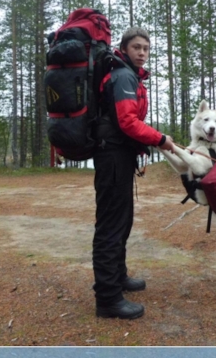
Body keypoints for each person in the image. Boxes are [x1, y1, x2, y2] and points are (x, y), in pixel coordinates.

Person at [92, 27, 174, 319]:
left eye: (146, 48)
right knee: (111, 226)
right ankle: (108, 299)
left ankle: (118, 277)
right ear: (124, 48)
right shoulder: (123, 76)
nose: (142, 53)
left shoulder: (128, 75)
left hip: (120, 156)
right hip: (112, 157)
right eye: (137, 47)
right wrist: (160, 139)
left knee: (122, 221)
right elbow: (127, 121)